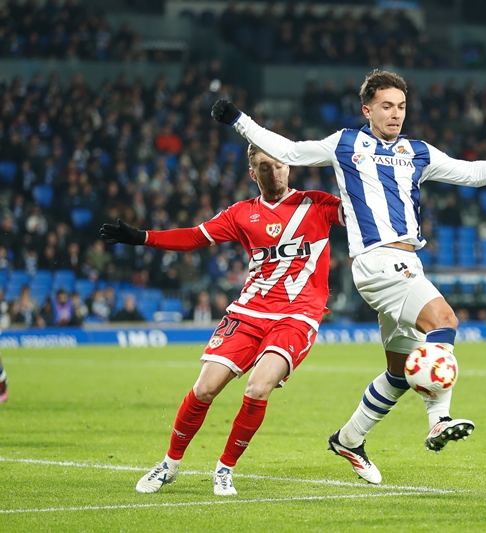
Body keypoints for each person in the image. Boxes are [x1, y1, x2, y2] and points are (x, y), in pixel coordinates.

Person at [211, 68, 486, 484]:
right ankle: (439, 418)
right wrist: (239, 121)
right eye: (387, 106)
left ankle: (349, 439)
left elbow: (473, 174)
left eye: (402, 106)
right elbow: (291, 152)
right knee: (445, 322)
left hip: (406, 264)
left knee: (398, 372)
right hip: (379, 261)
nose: (396, 114)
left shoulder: (418, 152)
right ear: (367, 109)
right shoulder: (346, 143)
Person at [100, 143, 343, 496]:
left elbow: (364, 214)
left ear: (290, 166)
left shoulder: (319, 205)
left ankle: (225, 469)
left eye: (278, 165)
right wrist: (143, 238)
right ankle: (169, 464)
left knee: (258, 388)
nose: (273, 172)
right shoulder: (242, 213)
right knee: (204, 388)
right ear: (252, 173)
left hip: (297, 315)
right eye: (264, 167)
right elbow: (195, 237)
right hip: (249, 312)